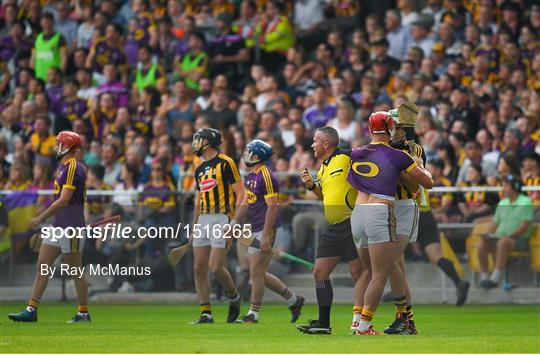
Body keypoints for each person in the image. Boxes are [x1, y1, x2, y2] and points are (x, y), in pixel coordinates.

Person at [348, 112, 433, 335]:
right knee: (388, 266)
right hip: (382, 209)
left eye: (401, 128)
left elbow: (415, 188)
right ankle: (400, 319)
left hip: (401, 207)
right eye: (395, 127)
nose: (398, 131)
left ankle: (397, 318)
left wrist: (394, 169)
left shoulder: (410, 151)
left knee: (390, 262)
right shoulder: (390, 153)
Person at [8, 131, 90, 323]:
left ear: (67, 147)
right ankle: (31, 309)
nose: (56, 147)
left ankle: (83, 312)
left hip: (71, 227)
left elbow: (64, 200)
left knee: (75, 270)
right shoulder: (63, 168)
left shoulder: (72, 168)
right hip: (58, 225)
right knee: (42, 266)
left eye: (59, 143)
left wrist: (40, 218)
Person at [296, 127, 362, 335]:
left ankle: (361, 322)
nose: (312, 145)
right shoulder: (323, 167)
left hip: (352, 223)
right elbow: (325, 197)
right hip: (333, 227)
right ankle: (323, 324)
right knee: (320, 272)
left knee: (357, 274)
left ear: (326, 144)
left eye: (315, 141)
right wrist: (311, 186)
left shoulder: (346, 157)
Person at [230, 139, 304, 323]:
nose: (245, 155)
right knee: (259, 273)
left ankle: (253, 314)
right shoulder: (251, 176)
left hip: (267, 229)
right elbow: (247, 202)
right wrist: (235, 222)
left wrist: (265, 235)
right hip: (255, 227)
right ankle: (294, 300)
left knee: (255, 272)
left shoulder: (266, 176)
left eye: (248, 152)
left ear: (257, 156)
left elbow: (273, 207)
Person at [182, 128, 244, 324]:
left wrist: (234, 223)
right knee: (199, 268)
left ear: (208, 141)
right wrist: (194, 226)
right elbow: (198, 200)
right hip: (203, 219)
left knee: (216, 267)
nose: (195, 142)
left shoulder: (227, 163)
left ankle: (234, 296)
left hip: (222, 218)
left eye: (198, 139)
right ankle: (206, 313)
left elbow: (241, 195)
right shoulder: (199, 168)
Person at [477, 174, 535, 289]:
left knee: (503, 242)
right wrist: (488, 235)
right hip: (500, 238)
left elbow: (525, 225)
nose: (504, 188)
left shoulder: (526, 202)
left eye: (506, 186)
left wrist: (509, 235)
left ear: (515, 187)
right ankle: (484, 278)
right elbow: (495, 223)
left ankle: (494, 279)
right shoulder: (502, 203)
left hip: (520, 240)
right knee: (481, 245)